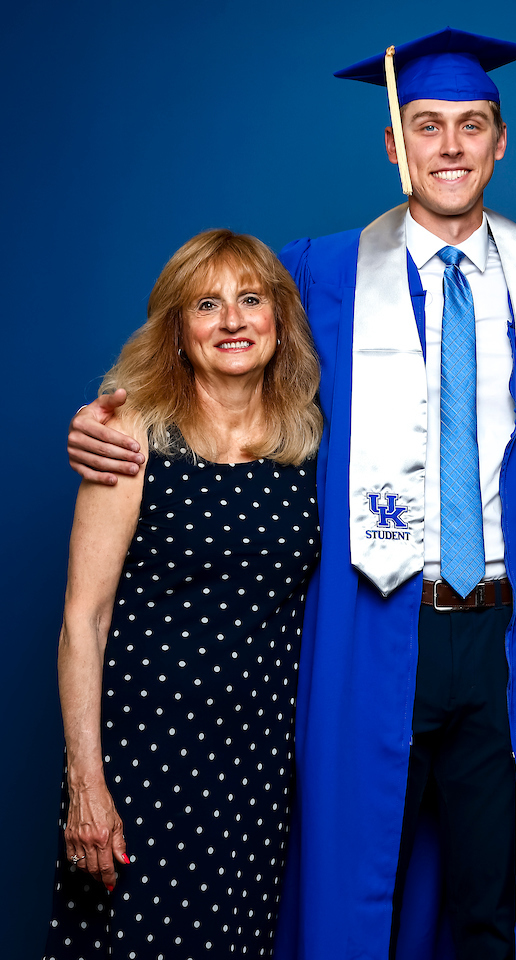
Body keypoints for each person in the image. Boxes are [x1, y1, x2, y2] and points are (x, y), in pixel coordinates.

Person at [45, 229, 323, 960]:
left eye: (251, 300)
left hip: (258, 772)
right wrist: (85, 782)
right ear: (178, 328)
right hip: (141, 766)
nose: (232, 320)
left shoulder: (315, 443)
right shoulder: (130, 434)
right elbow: (84, 619)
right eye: (208, 304)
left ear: (279, 320)